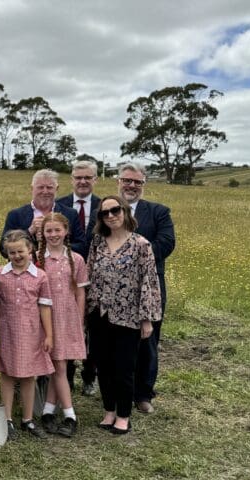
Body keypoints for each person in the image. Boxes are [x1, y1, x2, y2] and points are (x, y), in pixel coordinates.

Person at [85, 196, 161, 435]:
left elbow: (149, 281)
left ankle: (123, 415)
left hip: (128, 316)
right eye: (104, 213)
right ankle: (109, 410)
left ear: (125, 211)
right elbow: (88, 273)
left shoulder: (141, 244)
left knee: (124, 367)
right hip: (99, 313)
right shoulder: (98, 242)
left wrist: (147, 318)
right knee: (103, 365)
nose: (110, 216)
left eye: (114, 210)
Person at [117, 162, 175, 414]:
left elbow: (166, 243)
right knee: (117, 341)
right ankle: (118, 390)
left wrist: (135, 258)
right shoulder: (107, 209)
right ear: (118, 182)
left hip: (149, 286)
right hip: (115, 288)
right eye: (127, 180)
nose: (131, 185)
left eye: (136, 182)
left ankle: (143, 394)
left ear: (143, 185)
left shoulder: (158, 212)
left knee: (147, 339)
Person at [0, 230, 55, 439]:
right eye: (12, 253)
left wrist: (49, 335)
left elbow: (45, 307)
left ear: (30, 250)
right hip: (6, 330)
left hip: (31, 332)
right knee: (8, 374)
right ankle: (6, 419)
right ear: (7, 254)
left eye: (20, 251)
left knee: (29, 375)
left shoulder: (40, 276)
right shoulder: (0, 275)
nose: (17, 256)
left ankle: (27, 419)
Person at [36, 213, 88, 438]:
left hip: (67, 317)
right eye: (49, 231)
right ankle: (52, 411)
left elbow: (80, 291)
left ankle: (68, 415)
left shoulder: (75, 259)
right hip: (45, 317)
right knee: (56, 366)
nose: (53, 234)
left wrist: (80, 318)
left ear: (66, 231)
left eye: (57, 230)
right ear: (43, 234)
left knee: (60, 365)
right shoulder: (38, 260)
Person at [54, 159, 101, 395]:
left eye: (88, 177)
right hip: (62, 277)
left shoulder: (105, 206)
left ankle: (90, 376)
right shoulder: (59, 205)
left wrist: (78, 262)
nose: (82, 181)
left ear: (95, 179)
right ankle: (67, 376)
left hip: (95, 277)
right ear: (71, 179)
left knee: (90, 326)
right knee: (64, 324)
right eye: (78, 177)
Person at [0, 169, 85, 259]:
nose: (45, 191)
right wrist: (29, 231)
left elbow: (81, 247)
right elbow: (3, 249)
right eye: (40, 187)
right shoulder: (15, 215)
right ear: (32, 189)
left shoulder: (70, 214)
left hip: (62, 269)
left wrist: (55, 242)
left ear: (57, 189)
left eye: (49, 187)